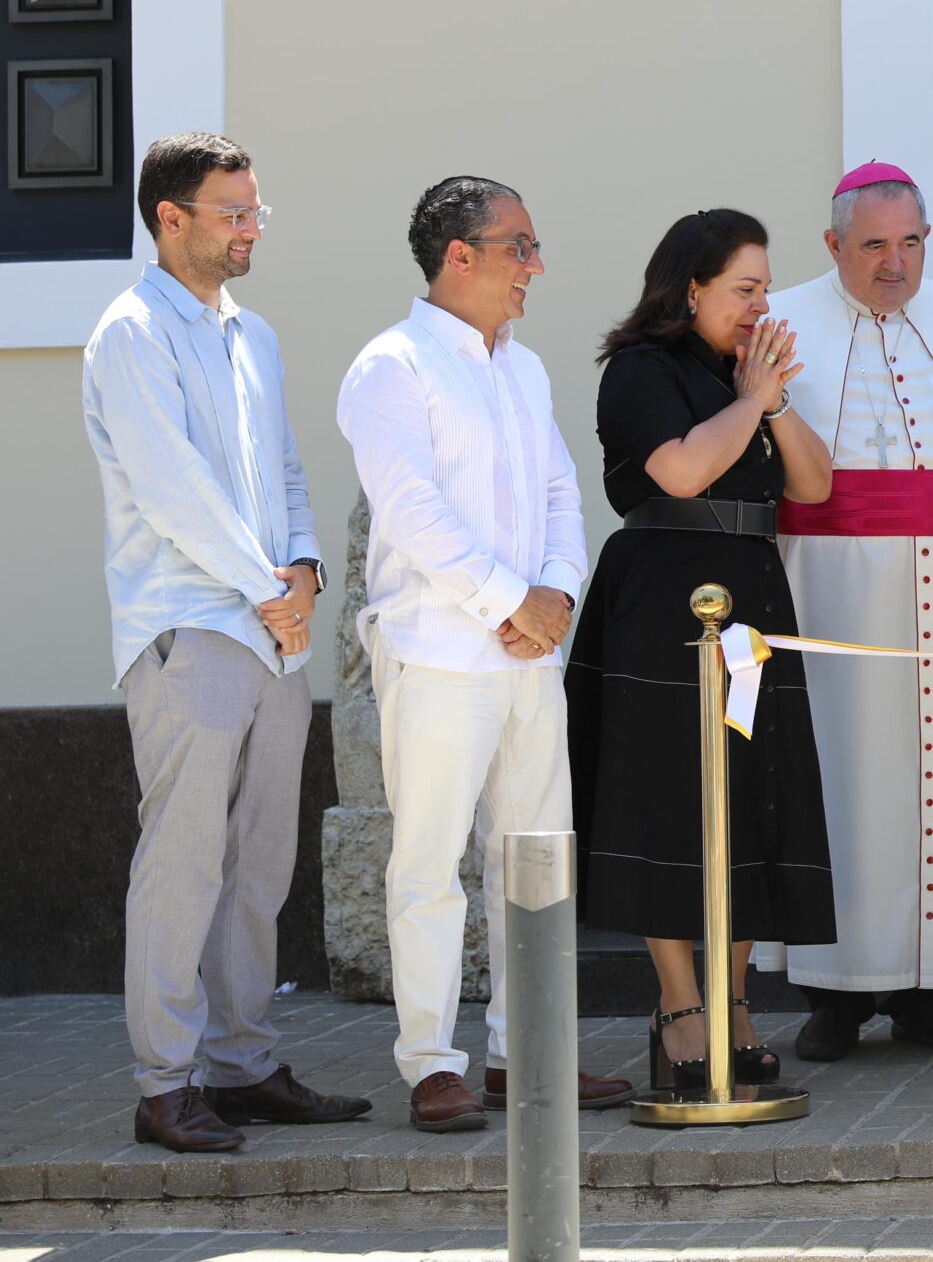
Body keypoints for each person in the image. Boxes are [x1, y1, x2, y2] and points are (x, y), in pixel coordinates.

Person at [81, 134, 370, 1154]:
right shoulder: (130, 333)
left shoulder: (254, 335)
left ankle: (242, 1067)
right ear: (171, 217)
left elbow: (284, 470)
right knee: (184, 859)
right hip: (188, 630)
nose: (251, 227)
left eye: (256, 211)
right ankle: (166, 1085)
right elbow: (171, 491)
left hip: (268, 633)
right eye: (232, 211)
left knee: (259, 862)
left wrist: (302, 576)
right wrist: (266, 592)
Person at [338, 176, 633, 1131]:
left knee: (537, 856)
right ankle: (431, 1061)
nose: (535, 267)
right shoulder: (391, 366)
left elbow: (560, 492)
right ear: (457, 255)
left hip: (528, 660)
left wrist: (555, 598)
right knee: (427, 862)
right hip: (436, 653)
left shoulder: (526, 367)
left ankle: (526, 1049)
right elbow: (411, 511)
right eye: (520, 247)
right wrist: (512, 600)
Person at [764, 164, 933, 1060]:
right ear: (833, 243)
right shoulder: (781, 321)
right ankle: (833, 994)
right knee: (840, 783)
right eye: (875, 244)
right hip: (824, 590)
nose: (896, 264)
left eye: (912, 242)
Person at [567, 209, 839, 1091]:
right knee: (670, 797)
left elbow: (814, 483)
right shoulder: (640, 370)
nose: (763, 304)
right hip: (665, 601)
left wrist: (774, 397)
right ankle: (680, 1007)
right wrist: (751, 400)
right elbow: (680, 472)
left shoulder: (748, 375)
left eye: (766, 287)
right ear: (693, 288)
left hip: (751, 592)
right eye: (746, 289)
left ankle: (733, 996)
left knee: (752, 790)